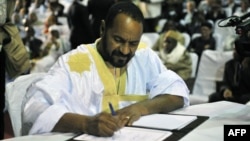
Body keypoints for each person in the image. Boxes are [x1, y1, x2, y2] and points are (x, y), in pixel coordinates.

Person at [21, 2, 189, 137]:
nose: (125, 50)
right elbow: (34, 108)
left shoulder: (144, 55)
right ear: (102, 29)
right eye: (118, 40)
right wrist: (86, 124)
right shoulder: (74, 63)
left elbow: (177, 94)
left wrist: (139, 108)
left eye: (133, 44)